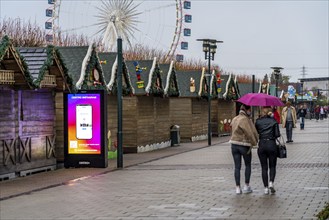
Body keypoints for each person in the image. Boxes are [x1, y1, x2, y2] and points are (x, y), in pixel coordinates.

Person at [229, 104, 259, 194]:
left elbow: (231, 127)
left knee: (237, 167)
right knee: (247, 165)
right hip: (243, 144)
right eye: (249, 109)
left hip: (233, 144)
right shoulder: (245, 120)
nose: (250, 111)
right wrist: (255, 143)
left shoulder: (235, 118)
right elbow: (250, 133)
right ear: (247, 110)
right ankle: (246, 185)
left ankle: (237, 187)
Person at [255, 107, 281, 195]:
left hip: (262, 144)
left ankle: (265, 188)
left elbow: (256, 132)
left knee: (264, 167)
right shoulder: (273, 121)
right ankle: (271, 182)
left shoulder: (258, 121)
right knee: (272, 166)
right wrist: (273, 119)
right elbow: (277, 134)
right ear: (270, 112)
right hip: (271, 144)